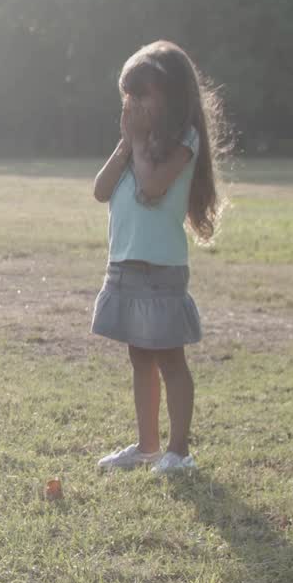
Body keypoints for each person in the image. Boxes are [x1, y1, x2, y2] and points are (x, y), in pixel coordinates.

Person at [91, 40, 228, 475]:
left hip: (161, 267)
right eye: (128, 96)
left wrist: (137, 143)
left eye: (143, 94)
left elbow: (151, 189)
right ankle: (147, 445)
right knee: (139, 355)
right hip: (126, 263)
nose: (134, 105)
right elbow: (100, 190)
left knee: (170, 357)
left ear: (171, 95)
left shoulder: (182, 140)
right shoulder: (134, 143)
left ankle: (179, 451)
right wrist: (125, 145)